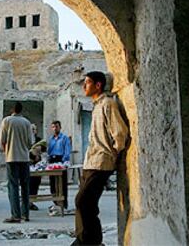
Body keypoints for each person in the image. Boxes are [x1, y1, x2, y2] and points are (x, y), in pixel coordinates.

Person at [71, 71, 129, 246]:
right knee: (85, 203)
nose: (84, 86)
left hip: (102, 162)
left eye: (87, 82)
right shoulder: (96, 106)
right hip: (91, 162)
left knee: (83, 201)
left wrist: (113, 152)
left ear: (98, 85)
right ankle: (87, 239)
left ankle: (88, 241)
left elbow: (120, 133)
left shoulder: (108, 104)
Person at [0, 102, 32, 223]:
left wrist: (6, 152)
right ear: (21, 110)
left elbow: (2, 140)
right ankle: (25, 214)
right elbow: (30, 142)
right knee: (25, 186)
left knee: (13, 186)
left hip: (11, 157)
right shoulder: (27, 122)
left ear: (12, 110)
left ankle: (15, 215)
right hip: (24, 158)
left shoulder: (7, 121)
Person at [47, 120, 71, 213]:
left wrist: (65, 162)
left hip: (61, 160)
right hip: (52, 160)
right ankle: (55, 203)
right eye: (53, 127)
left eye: (56, 126)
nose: (55, 128)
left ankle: (63, 203)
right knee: (53, 183)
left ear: (60, 127)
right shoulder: (51, 139)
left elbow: (67, 151)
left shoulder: (64, 138)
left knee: (62, 183)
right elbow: (49, 151)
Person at [28, 139, 47, 211]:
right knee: (30, 186)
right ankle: (28, 202)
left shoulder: (39, 140)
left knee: (35, 186)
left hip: (37, 170)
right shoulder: (28, 141)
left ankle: (32, 202)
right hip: (30, 170)